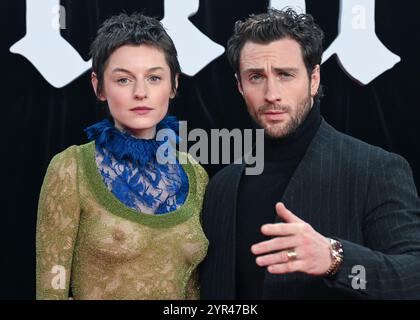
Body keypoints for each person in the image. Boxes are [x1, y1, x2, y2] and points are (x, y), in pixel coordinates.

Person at [199, 8, 420, 299]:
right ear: (240, 85)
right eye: (256, 77)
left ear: (313, 79)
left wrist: (334, 259)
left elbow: (413, 279)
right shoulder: (222, 186)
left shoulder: (376, 169)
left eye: (285, 74)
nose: (271, 94)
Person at [36, 13, 209, 300]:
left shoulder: (195, 173)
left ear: (174, 84)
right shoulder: (72, 168)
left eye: (154, 78)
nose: (141, 92)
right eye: (124, 79)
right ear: (99, 86)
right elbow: (49, 290)